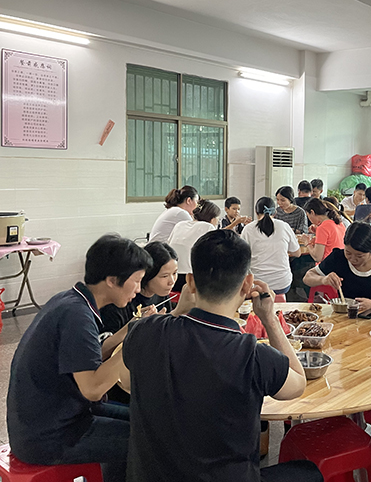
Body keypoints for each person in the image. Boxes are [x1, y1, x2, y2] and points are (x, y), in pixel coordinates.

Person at [122, 230, 322, 482]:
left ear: (190, 282)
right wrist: (269, 319)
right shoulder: (254, 355)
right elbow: (298, 384)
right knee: (309, 472)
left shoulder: (143, 332)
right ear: (247, 284)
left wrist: (177, 312)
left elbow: (127, 380)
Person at [7, 234, 154, 482]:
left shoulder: (70, 300)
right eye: (137, 281)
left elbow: (94, 353)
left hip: (51, 420)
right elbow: (93, 389)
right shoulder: (77, 316)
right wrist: (134, 341)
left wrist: (132, 328)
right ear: (112, 280)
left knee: (146, 419)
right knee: (150, 441)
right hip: (50, 436)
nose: (138, 290)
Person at [303, 221, 371, 305]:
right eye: (348, 253)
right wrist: (324, 279)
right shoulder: (338, 257)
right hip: (346, 317)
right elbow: (307, 277)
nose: (352, 259)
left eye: (359, 256)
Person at [100, 241, 178, 335]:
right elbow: (106, 343)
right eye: (164, 276)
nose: (172, 281)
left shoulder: (161, 293)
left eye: (174, 273)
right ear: (147, 275)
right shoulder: (121, 300)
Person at [241, 196, 301, 295]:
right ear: (275, 212)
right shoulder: (284, 226)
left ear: (256, 212)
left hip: (256, 284)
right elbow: (297, 253)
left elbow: (243, 257)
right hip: (282, 283)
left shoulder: (248, 229)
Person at [168, 200, 221, 292]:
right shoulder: (208, 227)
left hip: (173, 277)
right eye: (218, 219)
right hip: (191, 279)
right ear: (213, 219)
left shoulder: (180, 225)